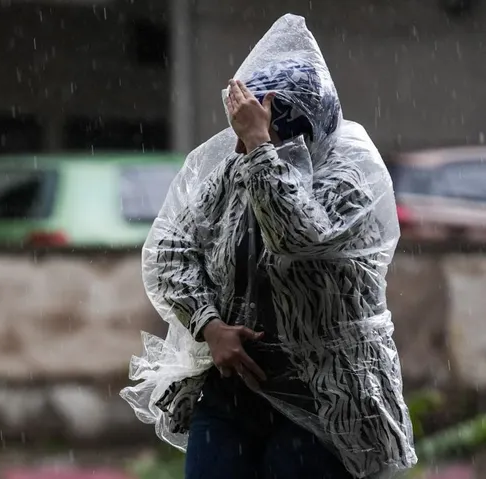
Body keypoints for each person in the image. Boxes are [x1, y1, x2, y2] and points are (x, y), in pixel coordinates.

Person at [120, 14, 416, 479]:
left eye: (255, 130)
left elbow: (297, 236)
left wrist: (261, 147)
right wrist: (210, 326)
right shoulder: (238, 168)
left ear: (299, 130)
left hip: (324, 398)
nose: (237, 150)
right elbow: (172, 249)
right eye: (239, 133)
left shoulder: (352, 176)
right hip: (229, 391)